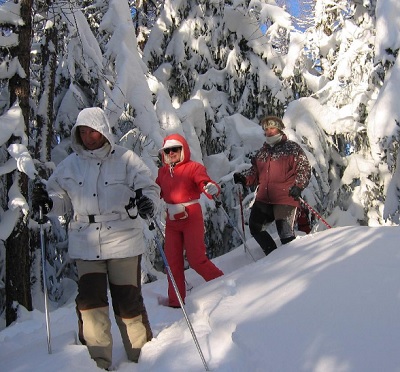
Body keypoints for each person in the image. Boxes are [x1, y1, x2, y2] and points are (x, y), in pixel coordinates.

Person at [32, 107, 160, 370]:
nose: (89, 136)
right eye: (83, 132)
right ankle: (98, 363)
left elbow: (149, 187)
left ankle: (142, 358)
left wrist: (147, 202)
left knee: (128, 301)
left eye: (93, 130)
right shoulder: (70, 165)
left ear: (104, 130)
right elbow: (61, 201)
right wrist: (47, 204)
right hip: (86, 244)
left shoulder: (126, 159)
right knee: (91, 305)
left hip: (123, 240)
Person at [156, 133, 224, 308]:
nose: (171, 153)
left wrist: (212, 189)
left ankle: (222, 285)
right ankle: (175, 302)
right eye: (167, 150)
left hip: (191, 215)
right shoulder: (162, 172)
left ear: (183, 150)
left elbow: (205, 183)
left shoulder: (194, 167)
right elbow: (155, 190)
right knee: (172, 262)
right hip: (172, 221)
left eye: (175, 149)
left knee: (196, 258)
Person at [233, 115, 311, 256]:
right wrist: (244, 178)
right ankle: (272, 256)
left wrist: (298, 186)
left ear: (280, 129)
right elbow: (254, 172)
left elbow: (304, 168)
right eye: (266, 129)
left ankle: (293, 262)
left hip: (285, 197)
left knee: (285, 234)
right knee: (255, 227)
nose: (269, 131)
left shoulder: (292, 148)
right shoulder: (263, 152)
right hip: (264, 198)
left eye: (272, 128)